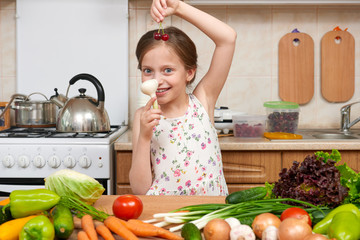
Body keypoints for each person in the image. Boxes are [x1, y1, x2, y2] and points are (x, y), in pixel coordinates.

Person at [130, 0, 236, 195]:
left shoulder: (203, 100)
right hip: (166, 214)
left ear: (189, 73)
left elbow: (228, 39)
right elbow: (139, 189)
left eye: (167, 70)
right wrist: (145, 137)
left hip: (210, 213)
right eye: (148, 71)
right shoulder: (142, 117)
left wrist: (178, 8)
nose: (157, 80)